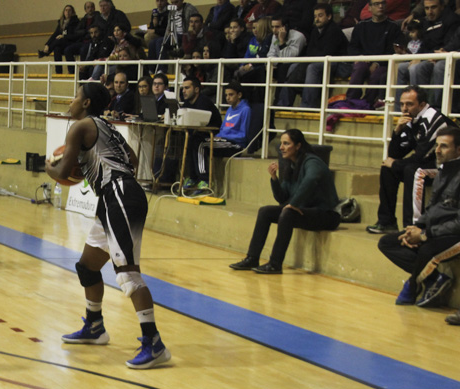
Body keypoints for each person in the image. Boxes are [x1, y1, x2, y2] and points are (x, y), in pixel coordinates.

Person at [46, 82, 171, 369]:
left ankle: (155, 344)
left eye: (76, 95)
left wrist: (49, 167)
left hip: (120, 195)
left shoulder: (79, 127)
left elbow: (63, 172)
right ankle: (94, 326)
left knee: (128, 274)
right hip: (116, 195)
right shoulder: (107, 126)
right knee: (87, 267)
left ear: (87, 103)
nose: (72, 100)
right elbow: (133, 159)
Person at [230, 129, 340, 274]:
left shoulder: (312, 161)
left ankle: (275, 264)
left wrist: (293, 204)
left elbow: (311, 179)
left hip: (326, 215)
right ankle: (252, 258)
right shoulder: (291, 165)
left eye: (286, 143)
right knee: (265, 212)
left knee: (287, 213)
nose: (281, 147)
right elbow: (282, 198)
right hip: (305, 211)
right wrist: (274, 179)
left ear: (298, 146)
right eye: (281, 143)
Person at [378, 126, 460, 308]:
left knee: (426, 249)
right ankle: (434, 278)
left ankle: (413, 284)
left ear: (458, 150)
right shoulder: (443, 171)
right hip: (437, 231)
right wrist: (416, 229)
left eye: (444, 146)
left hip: (455, 235)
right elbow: (432, 207)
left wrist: (425, 235)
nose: (437, 151)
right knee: (388, 242)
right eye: (437, 146)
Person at [367, 86, 454, 234]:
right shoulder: (411, 119)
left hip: (450, 167)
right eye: (402, 104)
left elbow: (420, 157)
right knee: (388, 168)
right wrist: (397, 130)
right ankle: (386, 221)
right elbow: (395, 154)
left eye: (409, 104)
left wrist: (395, 163)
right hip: (430, 163)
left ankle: (413, 227)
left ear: (421, 104)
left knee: (413, 171)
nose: (404, 108)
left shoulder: (433, 118)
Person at [394, 0, 460, 107]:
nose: (430, 11)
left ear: (442, 7)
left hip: (444, 57)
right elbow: (423, 45)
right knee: (401, 67)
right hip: (429, 56)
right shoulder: (425, 22)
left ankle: (426, 107)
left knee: (416, 68)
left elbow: (450, 44)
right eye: (427, 8)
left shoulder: (452, 20)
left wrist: (426, 57)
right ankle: (398, 109)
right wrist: (412, 56)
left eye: (433, 7)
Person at [278, 3, 350, 108]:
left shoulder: (334, 30)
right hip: (318, 59)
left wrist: (311, 59)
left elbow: (328, 52)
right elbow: (310, 51)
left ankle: (307, 105)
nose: (317, 19)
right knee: (293, 65)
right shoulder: (315, 31)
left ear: (329, 16)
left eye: (320, 16)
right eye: (315, 16)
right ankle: (283, 104)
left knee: (312, 67)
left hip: (337, 62)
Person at [187, 80, 250, 191]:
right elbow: (222, 129)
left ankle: (205, 180)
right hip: (223, 141)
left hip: (235, 145)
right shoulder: (230, 109)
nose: (228, 98)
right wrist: (218, 136)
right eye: (226, 95)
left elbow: (243, 135)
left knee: (200, 144)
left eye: (231, 95)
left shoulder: (245, 110)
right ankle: (193, 177)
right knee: (193, 139)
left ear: (239, 95)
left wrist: (224, 138)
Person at [346, 0, 404, 105]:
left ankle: (368, 103)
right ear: (369, 8)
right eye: (376, 4)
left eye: (382, 3)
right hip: (364, 60)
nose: (380, 6)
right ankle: (351, 101)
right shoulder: (361, 26)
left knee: (377, 74)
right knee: (359, 67)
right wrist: (361, 57)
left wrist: (377, 62)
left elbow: (394, 50)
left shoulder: (393, 26)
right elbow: (352, 47)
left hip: (384, 63)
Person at [38, 4, 80, 74]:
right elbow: (55, 34)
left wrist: (64, 36)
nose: (68, 12)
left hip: (71, 42)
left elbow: (75, 35)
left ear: (73, 12)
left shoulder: (76, 22)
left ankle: (46, 53)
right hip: (62, 43)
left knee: (60, 40)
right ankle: (58, 72)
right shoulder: (61, 22)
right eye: (66, 10)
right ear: (64, 12)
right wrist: (47, 44)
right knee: (57, 48)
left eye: (70, 10)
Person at [64, 1, 99, 74]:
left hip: (91, 41)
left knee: (83, 50)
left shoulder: (98, 17)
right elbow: (77, 31)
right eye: (88, 7)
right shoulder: (83, 19)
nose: (90, 9)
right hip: (82, 41)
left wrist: (85, 33)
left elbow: (94, 31)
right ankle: (72, 71)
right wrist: (86, 31)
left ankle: (83, 71)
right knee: (68, 50)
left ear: (94, 8)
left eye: (91, 7)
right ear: (85, 10)